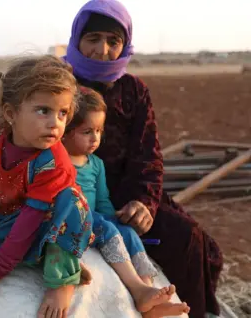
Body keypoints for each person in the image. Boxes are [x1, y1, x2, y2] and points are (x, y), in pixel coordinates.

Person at [0, 55, 178, 318]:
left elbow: (32, 218)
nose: (56, 123)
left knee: (72, 201)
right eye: (44, 110)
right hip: (17, 218)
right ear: (10, 113)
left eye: (63, 113)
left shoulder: (52, 161)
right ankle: (51, 260)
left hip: (59, 222)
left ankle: (65, 280)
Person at [64, 0, 223, 317]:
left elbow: (148, 155)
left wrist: (143, 203)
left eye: (113, 41)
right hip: (68, 190)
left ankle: (191, 311)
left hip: (125, 198)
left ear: (125, 45)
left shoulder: (133, 89)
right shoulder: (59, 84)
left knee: (187, 240)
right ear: (77, 39)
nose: (102, 49)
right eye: (93, 38)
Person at [63, 91, 190, 318]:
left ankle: (149, 290)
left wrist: (116, 218)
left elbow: (102, 200)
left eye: (99, 131)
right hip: (74, 217)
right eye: (87, 131)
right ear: (65, 132)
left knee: (128, 233)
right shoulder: (59, 161)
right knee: (106, 226)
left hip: (97, 218)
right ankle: (137, 289)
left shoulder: (96, 164)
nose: (95, 138)